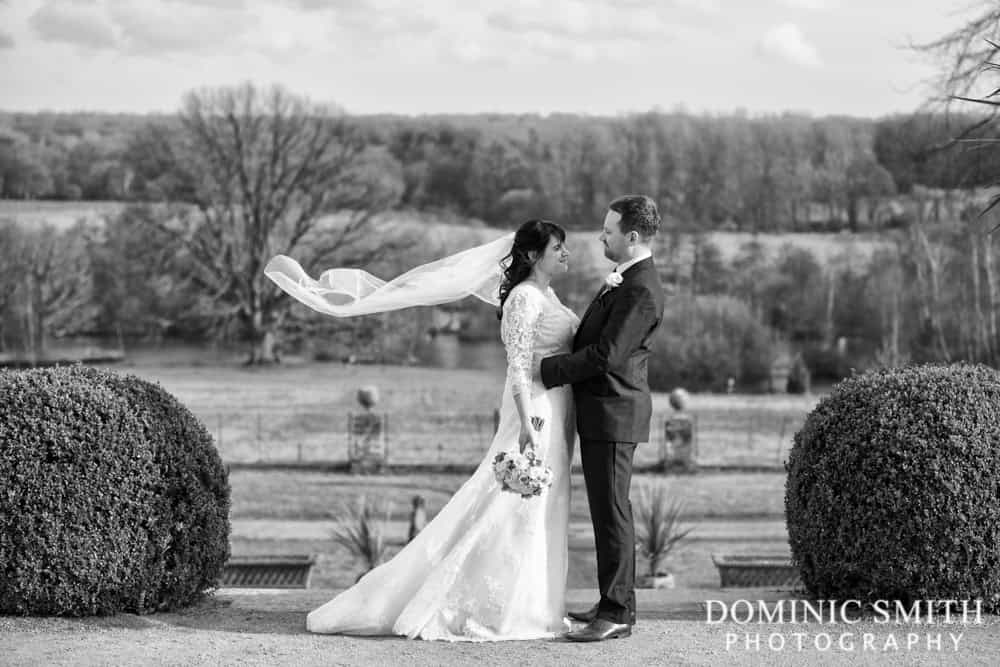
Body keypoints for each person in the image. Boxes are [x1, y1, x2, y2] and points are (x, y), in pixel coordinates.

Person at [266, 220, 579, 641]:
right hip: (534, 411)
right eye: (557, 247)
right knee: (510, 505)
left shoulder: (546, 293)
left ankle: (532, 604)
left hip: (555, 408)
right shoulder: (524, 298)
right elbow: (519, 367)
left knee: (537, 505)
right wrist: (526, 424)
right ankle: (491, 606)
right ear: (532, 255)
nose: (565, 254)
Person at [540, 194, 665, 643]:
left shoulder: (640, 288)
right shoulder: (626, 279)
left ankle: (617, 613)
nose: (601, 236)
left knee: (612, 515)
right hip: (604, 413)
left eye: (609, 231)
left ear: (632, 237)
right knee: (607, 513)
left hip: (614, 413)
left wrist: (547, 370)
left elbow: (607, 355)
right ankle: (612, 602)